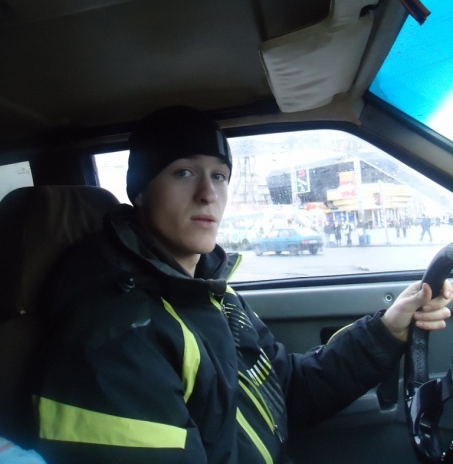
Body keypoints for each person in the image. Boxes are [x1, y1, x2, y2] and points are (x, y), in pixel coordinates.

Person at [35, 106, 453, 464]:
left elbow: (288, 391)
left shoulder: (211, 294)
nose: (207, 194)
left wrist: (388, 330)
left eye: (219, 176)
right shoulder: (116, 337)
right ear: (141, 191)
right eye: (183, 172)